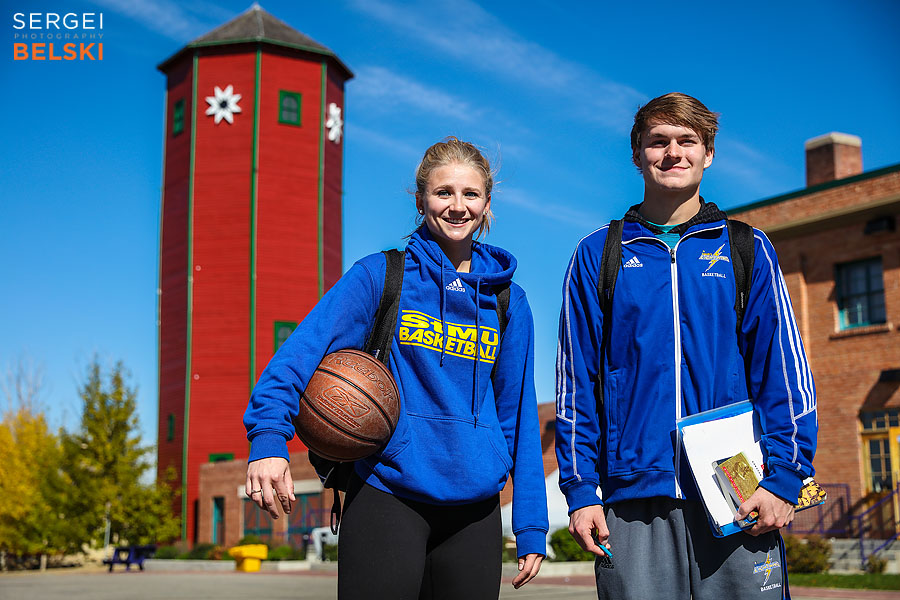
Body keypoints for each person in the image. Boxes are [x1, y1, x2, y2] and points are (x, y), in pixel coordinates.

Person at [244, 137, 549, 599]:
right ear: (421, 198)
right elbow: (298, 357)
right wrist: (269, 439)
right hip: (388, 492)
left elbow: (519, 414)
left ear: (487, 203)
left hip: (475, 507)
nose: (457, 206)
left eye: (470, 194)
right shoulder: (381, 277)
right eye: (443, 192)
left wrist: (529, 523)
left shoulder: (508, 301)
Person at [555, 93, 817, 599]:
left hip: (739, 489)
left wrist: (786, 477)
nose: (672, 152)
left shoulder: (746, 248)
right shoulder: (598, 254)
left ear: (708, 153)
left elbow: (783, 373)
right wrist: (581, 489)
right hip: (632, 496)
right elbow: (575, 385)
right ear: (637, 155)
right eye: (658, 141)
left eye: (687, 140)